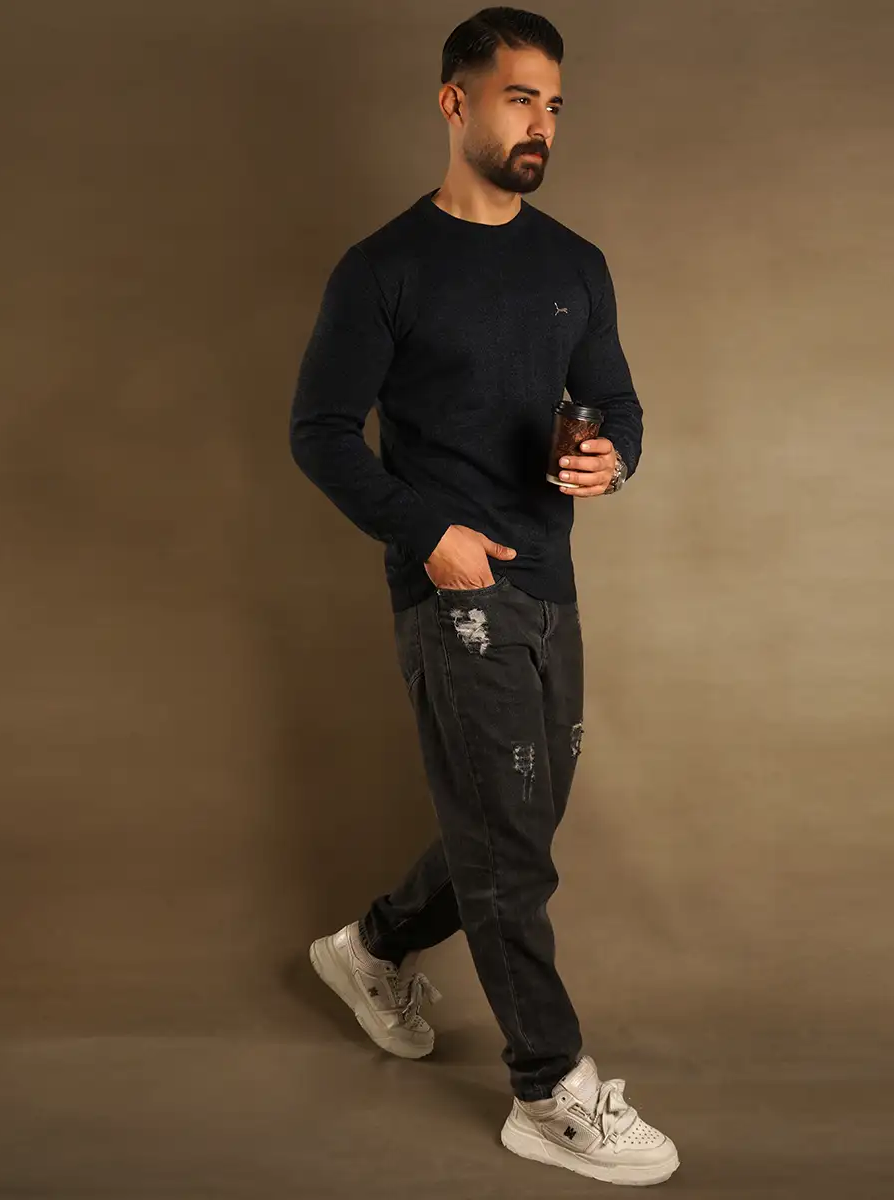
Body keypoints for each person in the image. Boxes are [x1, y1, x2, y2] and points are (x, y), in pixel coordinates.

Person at [289, 7, 678, 1187]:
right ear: (455, 102)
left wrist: (609, 458)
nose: (541, 123)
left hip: (552, 581)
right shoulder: (383, 269)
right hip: (453, 590)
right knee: (511, 845)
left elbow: (619, 406)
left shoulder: (575, 265)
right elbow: (320, 431)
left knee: (518, 823)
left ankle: (373, 947)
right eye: (519, 99)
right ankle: (548, 1089)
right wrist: (428, 535)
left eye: (553, 104)